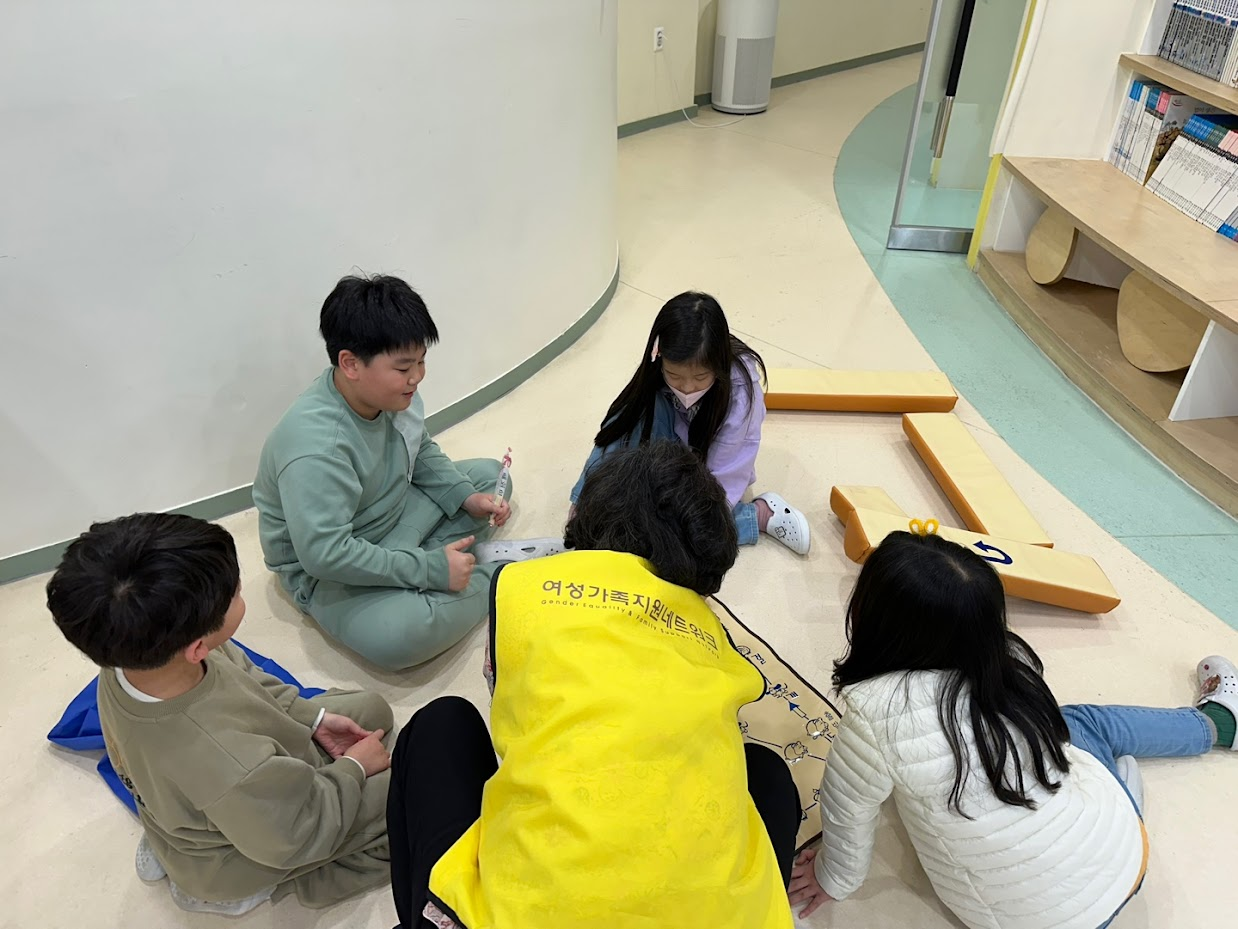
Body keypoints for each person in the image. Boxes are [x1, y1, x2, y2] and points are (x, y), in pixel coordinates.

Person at [386, 443, 801, 929]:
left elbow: (511, 706)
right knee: (767, 774)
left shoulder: (523, 586)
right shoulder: (712, 637)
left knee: (442, 723)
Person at [788, 530, 1238, 929]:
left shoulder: (871, 713)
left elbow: (846, 817)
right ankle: (1214, 726)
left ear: (873, 617)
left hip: (1030, 920)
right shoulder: (1015, 662)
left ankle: (1128, 787)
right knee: (1080, 722)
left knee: (1076, 727)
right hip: (1128, 858)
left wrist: (832, 879)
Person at [46, 513, 395, 916]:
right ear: (196, 647)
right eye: (236, 592)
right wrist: (353, 768)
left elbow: (248, 677)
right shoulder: (223, 757)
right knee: (413, 791)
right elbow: (298, 833)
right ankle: (256, 886)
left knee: (373, 711)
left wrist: (311, 718)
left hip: (210, 799)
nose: (240, 591)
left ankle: (180, 849)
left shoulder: (128, 662)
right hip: (248, 846)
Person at [253, 273, 560, 671]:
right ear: (350, 364)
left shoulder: (392, 394)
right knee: (401, 638)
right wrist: (429, 570)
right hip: (332, 570)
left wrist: (466, 496)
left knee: (487, 477)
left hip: (394, 514)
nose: (417, 377)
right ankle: (504, 575)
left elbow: (419, 449)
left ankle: (444, 567)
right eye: (403, 367)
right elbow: (325, 556)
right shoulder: (316, 447)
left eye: (421, 361)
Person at [569, 291, 810, 555]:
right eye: (674, 375)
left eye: (700, 377)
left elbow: (722, 482)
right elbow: (617, 431)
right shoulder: (655, 372)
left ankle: (760, 515)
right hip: (673, 449)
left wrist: (681, 519)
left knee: (684, 535)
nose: (686, 387)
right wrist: (583, 502)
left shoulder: (740, 391)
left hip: (710, 468)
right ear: (658, 355)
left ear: (718, 364)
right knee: (633, 416)